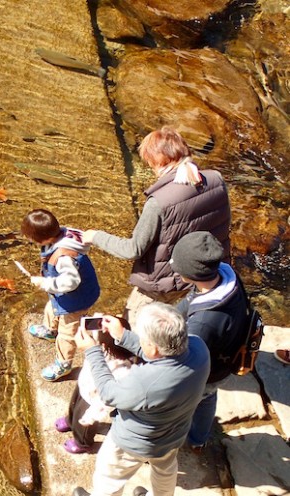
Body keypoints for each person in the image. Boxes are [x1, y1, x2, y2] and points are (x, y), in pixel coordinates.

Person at [71, 303, 210, 496]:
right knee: (165, 472)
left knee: (110, 476)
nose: (141, 341)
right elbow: (160, 354)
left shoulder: (144, 383)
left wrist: (92, 351)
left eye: (142, 338)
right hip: (174, 433)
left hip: (133, 442)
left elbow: (109, 393)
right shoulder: (199, 348)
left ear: (153, 348)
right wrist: (123, 336)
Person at [82, 126, 231, 327]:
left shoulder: (158, 201)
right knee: (177, 323)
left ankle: (139, 355)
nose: (151, 168)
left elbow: (133, 249)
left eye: (150, 163)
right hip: (202, 273)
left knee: (135, 324)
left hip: (162, 282)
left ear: (160, 161)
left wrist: (95, 236)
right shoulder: (215, 179)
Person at [170, 231, 252, 452]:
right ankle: (200, 438)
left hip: (209, 371)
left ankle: (192, 438)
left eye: (176, 265)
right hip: (223, 360)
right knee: (208, 397)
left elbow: (187, 358)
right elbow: (193, 300)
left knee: (194, 399)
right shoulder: (225, 275)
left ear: (191, 274)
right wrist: (172, 315)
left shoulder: (203, 324)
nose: (173, 266)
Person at [22, 209, 101, 381]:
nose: (29, 241)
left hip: (77, 299)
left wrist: (45, 283)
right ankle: (50, 331)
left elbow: (71, 282)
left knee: (67, 332)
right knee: (51, 308)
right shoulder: (61, 234)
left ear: (46, 239)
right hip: (64, 295)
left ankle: (63, 364)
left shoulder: (64, 257)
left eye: (31, 239)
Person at [55, 317, 137, 454]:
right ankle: (70, 420)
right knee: (74, 405)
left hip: (94, 400)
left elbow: (107, 400)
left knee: (84, 425)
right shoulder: (105, 346)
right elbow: (96, 329)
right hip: (85, 385)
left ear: (104, 345)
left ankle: (82, 443)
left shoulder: (124, 371)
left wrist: (91, 417)